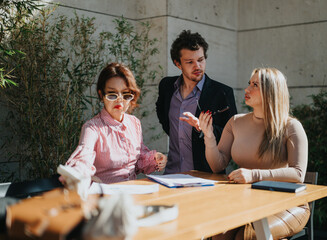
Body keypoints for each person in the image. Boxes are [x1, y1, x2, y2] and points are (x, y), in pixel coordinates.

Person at [198, 68, 310, 240]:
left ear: (271, 92)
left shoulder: (291, 127)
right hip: (247, 203)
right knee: (218, 234)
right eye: (249, 83)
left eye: (255, 85)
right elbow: (217, 165)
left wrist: (254, 175)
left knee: (248, 236)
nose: (247, 89)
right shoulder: (235, 122)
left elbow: (298, 174)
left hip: (287, 205)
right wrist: (209, 136)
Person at [62, 63, 167, 184]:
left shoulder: (134, 123)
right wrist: (77, 171)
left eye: (126, 94)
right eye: (112, 94)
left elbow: (137, 162)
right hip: (105, 197)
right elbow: (84, 157)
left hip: (132, 193)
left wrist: (156, 159)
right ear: (101, 95)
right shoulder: (92, 128)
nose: (119, 99)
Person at [156, 30, 237, 174]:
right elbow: (163, 114)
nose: (197, 66)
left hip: (205, 176)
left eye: (200, 60)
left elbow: (231, 135)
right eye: (190, 62)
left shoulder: (222, 93)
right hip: (171, 174)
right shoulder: (166, 86)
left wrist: (203, 129)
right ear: (178, 64)